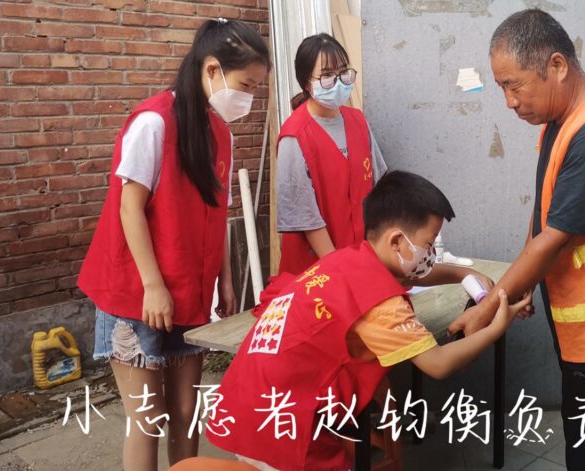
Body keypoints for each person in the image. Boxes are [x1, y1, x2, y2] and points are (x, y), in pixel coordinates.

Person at [447, 9, 585, 470]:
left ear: (556, 65)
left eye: (514, 85)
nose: (509, 101)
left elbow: (552, 240)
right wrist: (527, 282)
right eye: (502, 88)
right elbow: (547, 216)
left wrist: (486, 310)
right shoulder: (562, 120)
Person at [208, 171, 531, 470]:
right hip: (281, 423)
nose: (432, 253)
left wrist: (463, 273)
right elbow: (438, 364)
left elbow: (413, 273)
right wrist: (496, 327)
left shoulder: (350, 260)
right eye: (429, 244)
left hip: (245, 401)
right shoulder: (381, 303)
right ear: (396, 241)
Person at [77, 19, 270, 471]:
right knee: (147, 418)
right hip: (136, 294)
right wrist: (153, 285)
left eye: (257, 88)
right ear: (212, 69)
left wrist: (224, 279)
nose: (249, 97)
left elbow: (218, 211)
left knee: (186, 411)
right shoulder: (153, 122)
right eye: (246, 85)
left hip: (190, 293)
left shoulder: (221, 133)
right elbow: (129, 209)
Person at [276, 33, 387, 275]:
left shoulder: (358, 121)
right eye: (326, 75)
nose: (338, 82)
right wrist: (339, 269)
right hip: (317, 270)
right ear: (307, 83)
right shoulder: (295, 136)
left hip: (361, 258)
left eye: (343, 72)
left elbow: (379, 186)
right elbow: (305, 216)